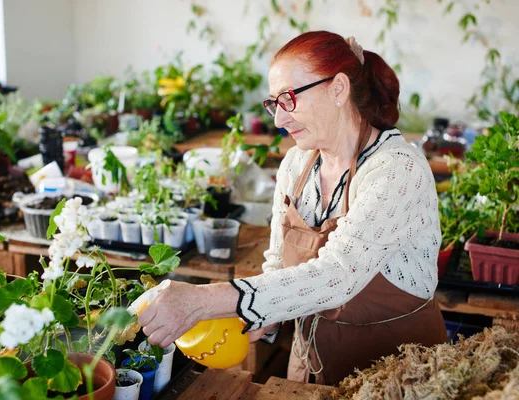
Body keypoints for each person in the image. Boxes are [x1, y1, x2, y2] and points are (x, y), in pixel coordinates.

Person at [137, 30, 448, 385]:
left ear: (338, 89)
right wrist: (261, 316)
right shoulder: (298, 165)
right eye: (274, 103)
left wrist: (204, 299)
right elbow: (278, 264)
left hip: (396, 372)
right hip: (310, 363)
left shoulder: (397, 169)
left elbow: (338, 274)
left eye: (288, 99)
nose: (278, 120)